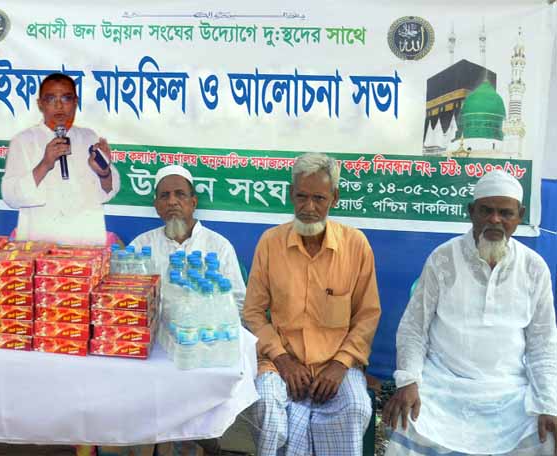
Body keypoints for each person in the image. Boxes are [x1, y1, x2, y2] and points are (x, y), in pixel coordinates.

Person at [383, 170, 557, 456]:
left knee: (544, 433)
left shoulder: (534, 267)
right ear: (471, 212)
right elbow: (414, 328)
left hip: (509, 390)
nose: (495, 220)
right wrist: (409, 381)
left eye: (505, 213)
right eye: (486, 210)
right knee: (409, 421)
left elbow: (543, 343)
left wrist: (548, 403)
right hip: (443, 386)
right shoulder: (443, 258)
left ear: (520, 215)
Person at [243, 152, 380, 455]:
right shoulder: (270, 242)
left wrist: (340, 364)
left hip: (336, 364)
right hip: (279, 362)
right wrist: (282, 358)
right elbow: (253, 312)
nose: (308, 208)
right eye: (301, 197)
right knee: (267, 405)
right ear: (291, 194)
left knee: (356, 406)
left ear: (335, 198)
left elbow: (367, 316)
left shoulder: (355, 245)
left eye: (319, 198)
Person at [1, 73, 120, 245]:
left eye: (66, 98)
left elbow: (109, 191)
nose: (59, 105)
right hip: (39, 247)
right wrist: (45, 164)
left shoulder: (89, 137)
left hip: (86, 245)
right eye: (51, 99)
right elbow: (10, 196)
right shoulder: (23, 141)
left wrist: (104, 173)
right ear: (40, 104)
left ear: (75, 102)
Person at [129, 164, 246, 312]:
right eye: (165, 196)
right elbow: (129, 300)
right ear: (157, 206)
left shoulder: (219, 246)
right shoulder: (140, 246)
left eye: (180, 194)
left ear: (193, 203)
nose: (172, 201)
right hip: (154, 333)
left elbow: (239, 303)